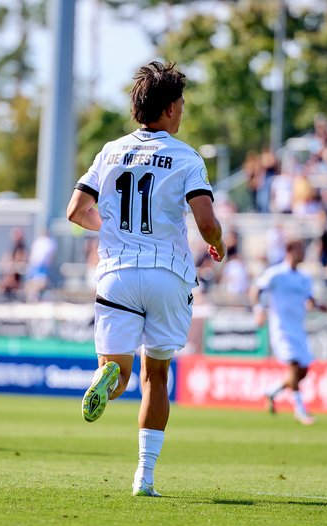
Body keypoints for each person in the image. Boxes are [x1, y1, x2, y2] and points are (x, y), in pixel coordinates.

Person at [66, 61, 225, 497]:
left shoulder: (110, 151)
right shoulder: (186, 156)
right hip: (167, 274)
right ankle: (145, 476)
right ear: (171, 109)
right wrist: (219, 244)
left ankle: (105, 378)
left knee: (116, 376)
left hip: (116, 272)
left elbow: (76, 211)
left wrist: (115, 227)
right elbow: (207, 222)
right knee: (156, 375)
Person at [251, 240, 327, 425]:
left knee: (302, 371)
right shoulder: (276, 273)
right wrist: (259, 310)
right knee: (293, 365)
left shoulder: (304, 277)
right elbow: (256, 290)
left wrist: (318, 305)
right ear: (290, 250)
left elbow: (309, 299)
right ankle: (300, 410)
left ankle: (272, 391)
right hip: (281, 328)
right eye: (301, 249)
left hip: (298, 329)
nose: (303, 254)